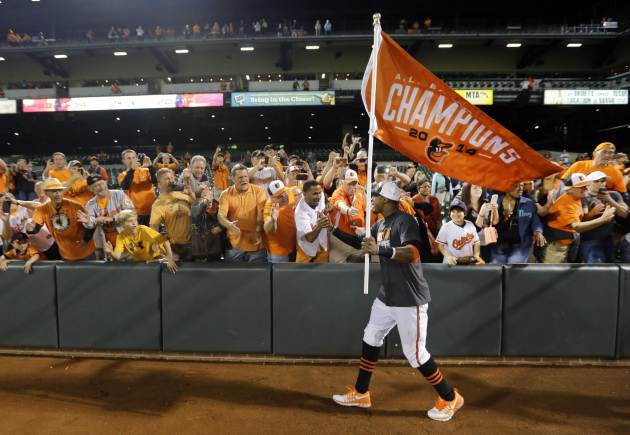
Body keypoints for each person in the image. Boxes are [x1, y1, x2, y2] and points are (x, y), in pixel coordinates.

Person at [332, 182, 464, 421]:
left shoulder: (405, 221)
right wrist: (331, 228)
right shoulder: (381, 223)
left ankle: (449, 397)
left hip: (408, 297)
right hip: (388, 295)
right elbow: (362, 243)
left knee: (415, 354)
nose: (373, 199)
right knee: (371, 337)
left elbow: (412, 253)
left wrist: (381, 250)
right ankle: (362, 393)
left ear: (388, 201)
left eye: (377, 196)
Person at [542, 173, 616, 263]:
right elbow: (577, 227)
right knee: (551, 274)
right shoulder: (565, 203)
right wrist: (603, 219)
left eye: (586, 186)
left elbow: (579, 220)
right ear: (570, 189)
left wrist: (591, 214)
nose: (585, 188)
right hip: (556, 246)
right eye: (581, 186)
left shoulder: (577, 198)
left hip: (568, 243)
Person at [30, 178, 96, 261]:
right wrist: (30, 229)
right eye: (54, 191)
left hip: (86, 253)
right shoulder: (41, 209)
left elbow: (91, 226)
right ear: (46, 193)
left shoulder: (76, 206)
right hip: (65, 253)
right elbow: (35, 227)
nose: (58, 194)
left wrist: (85, 240)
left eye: (60, 191)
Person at [78, 174, 134, 260]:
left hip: (128, 240)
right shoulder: (90, 204)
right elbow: (91, 222)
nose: (100, 187)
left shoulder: (119, 194)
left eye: (101, 183)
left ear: (106, 182)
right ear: (90, 189)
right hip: (109, 245)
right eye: (95, 186)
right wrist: (87, 222)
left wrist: (113, 218)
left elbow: (131, 212)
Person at [218, 164, 267, 262]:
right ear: (232, 178)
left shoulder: (258, 191)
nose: (244, 180)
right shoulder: (225, 194)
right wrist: (228, 224)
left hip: (256, 243)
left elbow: (260, 214)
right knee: (234, 275)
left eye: (245, 176)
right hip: (234, 245)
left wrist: (258, 230)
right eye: (240, 177)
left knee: (257, 275)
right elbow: (220, 216)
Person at [105, 210, 177, 273]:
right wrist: (111, 252)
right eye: (130, 221)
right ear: (122, 224)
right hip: (142, 262)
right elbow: (117, 256)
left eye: (135, 220)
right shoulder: (121, 237)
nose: (134, 223)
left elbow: (165, 241)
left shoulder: (143, 229)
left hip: (160, 258)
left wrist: (170, 259)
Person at [491, 183, 546, 264]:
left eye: (521, 185)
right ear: (507, 188)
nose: (520, 189)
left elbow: (535, 221)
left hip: (520, 245)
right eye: (516, 186)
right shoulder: (497, 203)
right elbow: (491, 223)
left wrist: (538, 231)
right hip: (499, 243)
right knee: (497, 268)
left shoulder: (528, 203)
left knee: (514, 265)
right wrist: (503, 217)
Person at [150, 168, 194, 261]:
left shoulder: (182, 193)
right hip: (177, 247)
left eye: (172, 178)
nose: (171, 181)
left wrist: (190, 189)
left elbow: (195, 204)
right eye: (167, 179)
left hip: (194, 242)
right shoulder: (157, 204)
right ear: (159, 184)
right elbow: (154, 228)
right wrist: (156, 245)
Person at [562, 142, 626, 194]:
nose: (607, 155)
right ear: (594, 153)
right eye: (604, 152)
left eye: (611, 153)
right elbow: (563, 183)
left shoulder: (616, 172)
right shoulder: (579, 165)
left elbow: (621, 193)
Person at [294, 180, 332, 263]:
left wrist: (327, 206)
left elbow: (323, 203)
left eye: (319, 193)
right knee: (304, 276)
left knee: (323, 274)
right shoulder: (300, 212)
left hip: (322, 247)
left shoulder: (320, 196)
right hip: (307, 253)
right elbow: (309, 239)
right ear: (304, 194)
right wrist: (319, 226)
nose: (318, 196)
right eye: (314, 194)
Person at [436, 199, 482, 265]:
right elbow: (440, 245)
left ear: (465, 213)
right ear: (450, 213)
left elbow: (477, 242)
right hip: (452, 263)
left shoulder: (470, 224)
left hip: (468, 262)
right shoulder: (446, 227)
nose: (456, 214)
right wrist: (448, 257)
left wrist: (476, 256)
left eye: (459, 211)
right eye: (453, 211)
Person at [118, 149, 157, 225]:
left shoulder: (146, 170)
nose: (132, 160)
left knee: (154, 235)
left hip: (153, 210)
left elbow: (155, 181)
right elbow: (125, 186)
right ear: (123, 161)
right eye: (128, 158)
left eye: (133, 157)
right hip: (137, 213)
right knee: (140, 235)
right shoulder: (122, 175)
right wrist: (132, 170)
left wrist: (150, 166)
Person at [263, 180, 297, 263]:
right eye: (279, 196)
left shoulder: (289, 191)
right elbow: (268, 230)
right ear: (272, 198)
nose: (284, 196)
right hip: (279, 250)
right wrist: (273, 219)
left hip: (295, 244)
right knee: (281, 275)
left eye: (284, 192)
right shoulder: (269, 207)